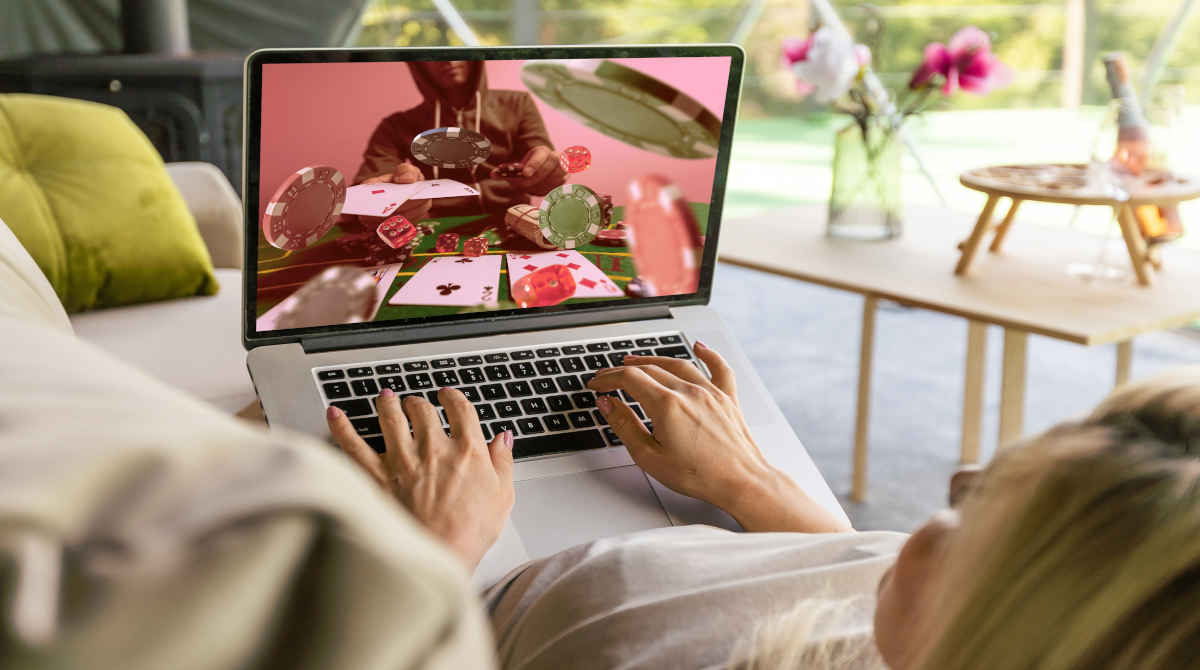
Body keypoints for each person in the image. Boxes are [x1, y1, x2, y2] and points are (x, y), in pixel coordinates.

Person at [325, 348, 1200, 669]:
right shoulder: (929, 626)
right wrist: (747, 479)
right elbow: (877, 587)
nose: (959, 479)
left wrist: (428, 554)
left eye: (988, 513)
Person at [353, 60, 567, 225]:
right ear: (417, 64)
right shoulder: (396, 124)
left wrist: (546, 171)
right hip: (428, 226)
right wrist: (379, 197)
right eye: (433, 52)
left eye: (458, 46)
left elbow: (541, 162)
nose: (448, 59)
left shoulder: (517, 104)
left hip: (511, 222)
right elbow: (367, 187)